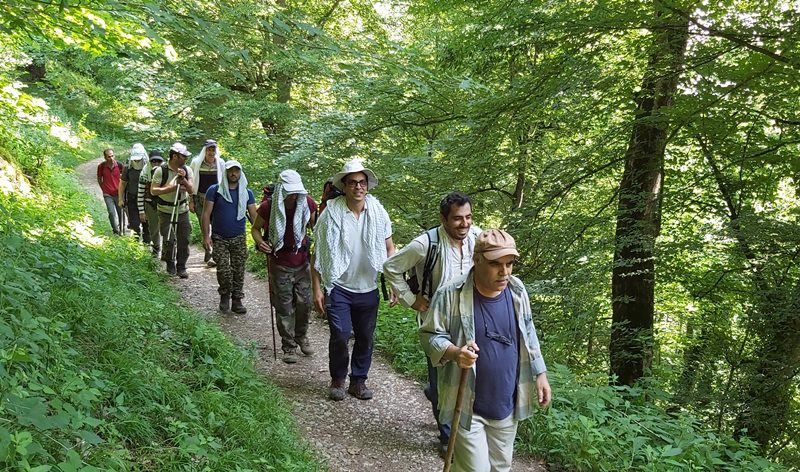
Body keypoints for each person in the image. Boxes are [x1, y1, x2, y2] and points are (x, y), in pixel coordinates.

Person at [419, 229, 551, 472]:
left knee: (500, 468)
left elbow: (529, 332)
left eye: (509, 264)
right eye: (495, 264)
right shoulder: (451, 293)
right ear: (476, 260)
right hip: (468, 404)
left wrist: (540, 373)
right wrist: (455, 352)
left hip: (506, 403)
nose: (505, 272)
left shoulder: (517, 290)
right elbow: (429, 337)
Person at [383, 191, 481, 456]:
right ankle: (448, 436)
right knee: (441, 375)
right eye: (458, 219)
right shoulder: (425, 244)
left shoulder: (477, 239)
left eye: (469, 217)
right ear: (443, 219)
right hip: (436, 322)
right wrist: (412, 300)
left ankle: (439, 398)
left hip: (471, 319)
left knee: (466, 371)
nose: (465, 224)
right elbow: (390, 267)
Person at [312, 159, 395, 401]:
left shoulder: (378, 212)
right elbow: (319, 254)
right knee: (340, 333)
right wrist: (317, 288)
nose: (358, 187)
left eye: (362, 182)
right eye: (352, 183)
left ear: (367, 186)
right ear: (345, 186)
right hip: (339, 286)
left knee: (366, 336)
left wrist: (392, 281)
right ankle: (338, 378)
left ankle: (358, 381)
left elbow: (390, 249)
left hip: (368, 288)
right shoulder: (331, 214)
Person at [252, 170, 318, 363]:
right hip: (280, 261)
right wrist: (260, 243)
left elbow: (314, 226)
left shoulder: (308, 203)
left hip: (302, 260)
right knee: (284, 305)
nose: (294, 195)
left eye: (297, 191)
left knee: (305, 303)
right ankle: (288, 346)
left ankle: (301, 336)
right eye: (291, 192)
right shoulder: (268, 207)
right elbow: (256, 229)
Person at [201, 160, 258, 314]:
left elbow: (255, 217)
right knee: (223, 269)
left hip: (239, 237)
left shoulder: (247, 193)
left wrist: (262, 237)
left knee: (239, 269)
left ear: (240, 173)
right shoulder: (215, 190)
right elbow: (206, 214)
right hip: (219, 237)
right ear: (225, 172)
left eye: (236, 171)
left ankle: (237, 300)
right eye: (230, 170)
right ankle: (225, 294)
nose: (233, 173)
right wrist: (206, 236)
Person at [150, 142, 194, 278]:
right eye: (183, 156)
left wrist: (184, 180)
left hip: (182, 209)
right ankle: (170, 263)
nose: (185, 159)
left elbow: (191, 189)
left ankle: (181, 266)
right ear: (175, 156)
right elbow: (153, 190)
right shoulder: (160, 170)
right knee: (169, 238)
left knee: (184, 239)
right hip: (165, 210)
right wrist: (172, 187)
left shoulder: (187, 170)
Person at [190, 139, 225, 267]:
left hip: (216, 200)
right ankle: (207, 250)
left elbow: (224, 182)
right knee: (204, 226)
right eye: (209, 149)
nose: (211, 152)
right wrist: (191, 201)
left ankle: (214, 253)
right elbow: (192, 182)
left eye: (213, 149)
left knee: (215, 226)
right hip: (200, 199)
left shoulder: (221, 163)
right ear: (204, 151)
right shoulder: (196, 163)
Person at [137, 149, 165, 258]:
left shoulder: (166, 172)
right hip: (150, 204)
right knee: (154, 228)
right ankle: (156, 248)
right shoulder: (144, 174)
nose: (156, 164)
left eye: (159, 162)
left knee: (167, 228)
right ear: (150, 162)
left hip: (164, 204)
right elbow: (140, 194)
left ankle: (167, 251)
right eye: (154, 161)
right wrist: (141, 211)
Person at [119, 143, 149, 242]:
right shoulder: (127, 168)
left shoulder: (148, 168)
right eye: (135, 159)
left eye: (138, 159)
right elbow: (123, 183)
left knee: (146, 225)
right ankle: (135, 246)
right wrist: (120, 199)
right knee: (134, 224)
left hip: (146, 199)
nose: (136, 160)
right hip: (132, 198)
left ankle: (147, 245)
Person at [96, 148, 123, 235]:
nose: (111, 158)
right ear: (105, 157)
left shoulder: (119, 165)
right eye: (108, 157)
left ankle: (121, 230)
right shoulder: (101, 166)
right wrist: (103, 189)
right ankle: (115, 230)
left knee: (120, 213)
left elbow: (124, 179)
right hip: (107, 194)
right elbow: (99, 178)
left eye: (112, 156)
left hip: (118, 193)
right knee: (111, 212)